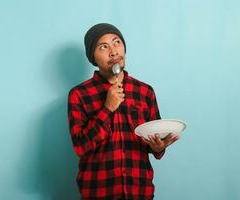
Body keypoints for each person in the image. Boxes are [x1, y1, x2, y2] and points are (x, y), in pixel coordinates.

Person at [67, 23, 179, 200]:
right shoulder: (79, 95)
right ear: (93, 57)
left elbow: (154, 139)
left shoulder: (144, 91)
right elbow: (81, 147)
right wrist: (107, 108)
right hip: (98, 192)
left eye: (116, 42)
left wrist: (158, 147)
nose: (113, 51)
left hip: (140, 192)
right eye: (103, 47)